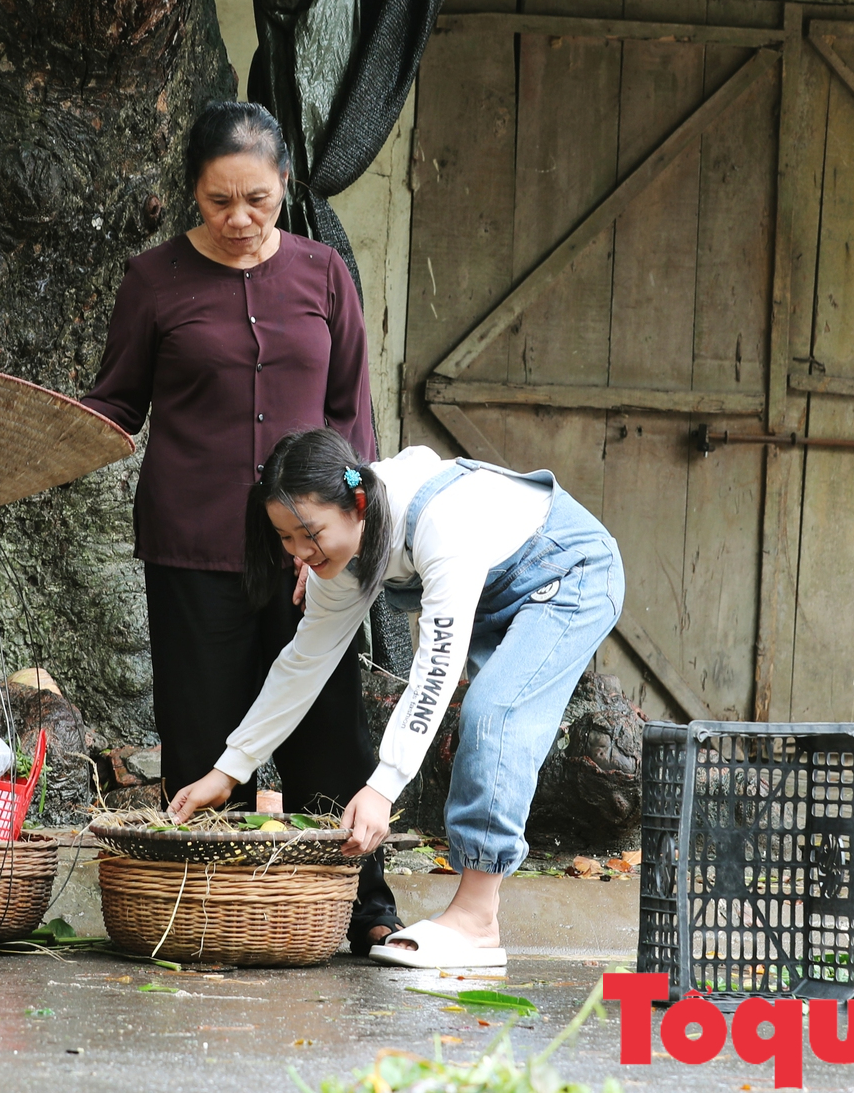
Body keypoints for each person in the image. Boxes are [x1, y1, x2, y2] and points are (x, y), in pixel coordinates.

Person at [81, 100, 401, 953]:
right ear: (192, 193)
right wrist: (43, 432)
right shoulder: (154, 280)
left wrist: (340, 539)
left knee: (329, 727)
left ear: (284, 188)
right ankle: (200, 905)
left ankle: (358, 908)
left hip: (312, 546)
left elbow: (351, 419)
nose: (238, 219)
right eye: (219, 201)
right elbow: (117, 397)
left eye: (256, 200)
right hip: (192, 542)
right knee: (205, 727)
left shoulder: (324, 273)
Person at [168, 428, 625, 969]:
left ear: (357, 504)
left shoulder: (441, 522)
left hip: (569, 573)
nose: (300, 553)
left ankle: (477, 919)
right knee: (494, 717)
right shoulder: (338, 559)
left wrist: (383, 786)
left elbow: (435, 666)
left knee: (494, 714)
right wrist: (229, 770)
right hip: (499, 592)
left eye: (310, 534)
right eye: (285, 538)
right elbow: (303, 662)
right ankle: (475, 914)